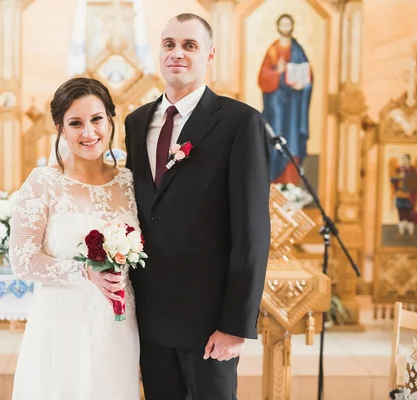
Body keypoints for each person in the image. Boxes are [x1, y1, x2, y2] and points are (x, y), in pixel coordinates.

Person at [124, 13, 271, 400]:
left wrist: (235, 325)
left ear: (209, 54)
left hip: (209, 321)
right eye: (169, 44)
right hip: (151, 316)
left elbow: (252, 233)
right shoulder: (136, 123)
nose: (177, 53)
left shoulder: (240, 122)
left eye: (189, 45)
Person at [8, 77, 141, 399]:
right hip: (61, 326)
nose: (88, 132)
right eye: (76, 123)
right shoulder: (44, 182)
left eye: (96, 119)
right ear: (60, 129)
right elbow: (22, 261)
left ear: (111, 119)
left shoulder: (130, 182)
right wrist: (84, 272)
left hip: (119, 327)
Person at [257, 13, 312, 185]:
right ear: (278, 26)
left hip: (294, 106)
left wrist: (303, 86)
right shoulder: (273, 50)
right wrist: (278, 73)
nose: (286, 27)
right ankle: (273, 184)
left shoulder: (298, 49)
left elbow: (308, 75)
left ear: (292, 26)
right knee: (276, 139)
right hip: (277, 105)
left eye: (289, 24)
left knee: (292, 141)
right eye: (283, 24)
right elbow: (262, 77)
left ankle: (290, 185)